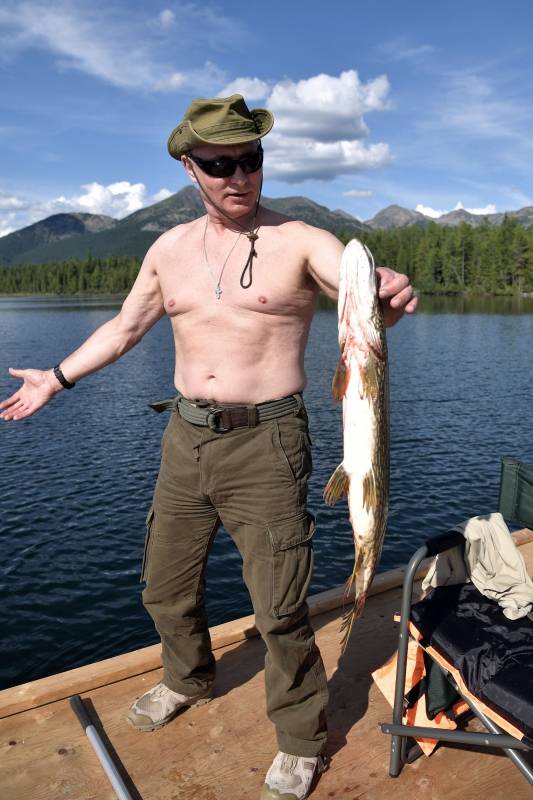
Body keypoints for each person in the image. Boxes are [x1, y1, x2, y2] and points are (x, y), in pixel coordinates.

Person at [0, 95, 417, 800]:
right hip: (185, 436)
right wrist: (58, 377)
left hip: (269, 442)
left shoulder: (305, 241)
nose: (237, 177)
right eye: (219, 164)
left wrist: (385, 294)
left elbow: (360, 297)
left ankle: (299, 737)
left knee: (279, 605)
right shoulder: (166, 250)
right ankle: (185, 677)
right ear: (189, 169)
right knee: (164, 587)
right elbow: (127, 328)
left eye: (249, 160)